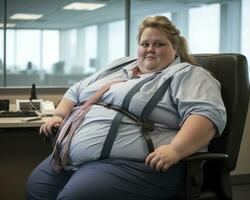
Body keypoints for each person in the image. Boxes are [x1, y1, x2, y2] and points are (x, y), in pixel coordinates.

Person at [26, 16, 226, 200]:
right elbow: (77, 91)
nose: (150, 49)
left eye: (159, 44)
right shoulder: (120, 66)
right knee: (36, 189)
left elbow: (206, 116)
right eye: (144, 44)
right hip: (72, 158)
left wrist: (175, 149)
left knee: (75, 197)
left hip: (137, 166)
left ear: (175, 48)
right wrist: (59, 115)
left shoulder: (188, 74)